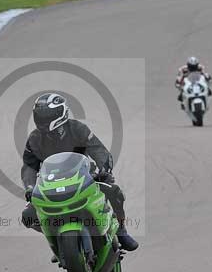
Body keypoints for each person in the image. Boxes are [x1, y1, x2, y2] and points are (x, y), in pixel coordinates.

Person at [20, 93, 139, 253]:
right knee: (28, 216)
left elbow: (99, 150)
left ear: (60, 113)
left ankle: (121, 230)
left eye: (47, 116)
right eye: (39, 116)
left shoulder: (77, 129)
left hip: (84, 178)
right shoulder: (34, 138)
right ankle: (58, 241)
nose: (42, 120)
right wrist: (29, 187)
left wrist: (104, 170)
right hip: (50, 184)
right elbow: (29, 166)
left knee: (114, 191)